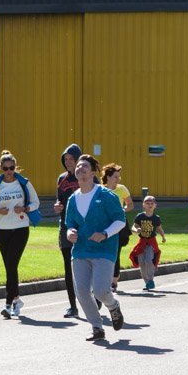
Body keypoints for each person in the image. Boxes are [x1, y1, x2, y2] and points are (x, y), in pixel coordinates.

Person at [64, 155, 126, 342]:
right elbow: (70, 224)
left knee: (100, 291)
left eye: (85, 166)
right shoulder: (73, 199)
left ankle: (113, 306)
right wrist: (70, 233)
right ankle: (97, 327)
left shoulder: (106, 196)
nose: (80, 168)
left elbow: (120, 220)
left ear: (93, 172)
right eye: (78, 166)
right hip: (81, 251)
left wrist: (105, 233)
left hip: (104, 250)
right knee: (82, 292)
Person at [0, 150, 41, 319]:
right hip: (2, 230)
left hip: (21, 228)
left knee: (11, 264)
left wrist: (24, 208)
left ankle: (8, 305)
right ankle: (17, 300)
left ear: (15, 167)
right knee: (10, 267)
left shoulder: (24, 183)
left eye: (12, 168)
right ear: (1, 168)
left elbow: (35, 203)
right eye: (6, 168)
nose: (9, 171)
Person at [54, 143, 85, 318]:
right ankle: (73, 306)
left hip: (84, 227)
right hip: (66, 226)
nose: (68, 162)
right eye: (65, 159)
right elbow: (59, 201)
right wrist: (57, 207)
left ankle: (94, 298)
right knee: (68, 267)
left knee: (87, 264)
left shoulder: (89, 177)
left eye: (71, 159)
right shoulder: (61, 179)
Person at [104, 163, 133, 292]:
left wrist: (122, 210)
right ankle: (104, 279)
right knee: (104, 252)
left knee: (116, 252)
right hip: (104, 224)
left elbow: (130, 205)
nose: (118, 179)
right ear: (108, 177)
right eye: (115, 176)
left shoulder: (122, 189)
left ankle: (114, 282)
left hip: (119, 224)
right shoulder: (101, 189)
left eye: (118, 177)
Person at [129, 195, 166, 290]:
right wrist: (136, 230)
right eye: (147, 203)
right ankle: (147, 283)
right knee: (142, 263)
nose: (149, 205)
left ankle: (151, 280)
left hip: (151, 243)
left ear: (155, 206)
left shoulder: (156, 218)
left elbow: (159, 228)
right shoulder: (140, 216)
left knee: (148, 260)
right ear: (143, 205)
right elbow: (133, 227)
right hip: (142, 242)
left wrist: (163, 237)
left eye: (151, 203)